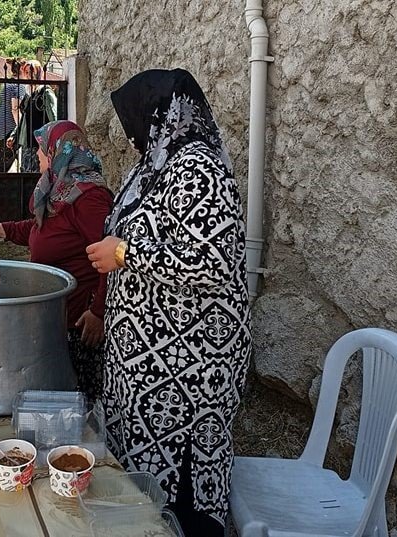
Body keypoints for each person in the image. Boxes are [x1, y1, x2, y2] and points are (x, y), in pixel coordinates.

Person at [85, 69, 251, 534]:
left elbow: (213, 262)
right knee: (142, 488)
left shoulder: (199, 169)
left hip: (187, 367)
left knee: (181, 490)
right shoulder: (157, 163)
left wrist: (123, 252)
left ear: (158, 113)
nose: (130, 129)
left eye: (134, 116)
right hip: (147, 361)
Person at [0, 120, 112, 401]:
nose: (38, 155)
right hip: (57, 313)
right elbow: (40, 229)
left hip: (81, 318)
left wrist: (99, 311)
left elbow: (109, 255)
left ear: (58, 151)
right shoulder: (58, 187)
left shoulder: (89, 197)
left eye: (42, 150)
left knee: (79, 396)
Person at [9, 60, 58, 173]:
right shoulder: (29, 95)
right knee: (25, 177)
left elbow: (54, 119)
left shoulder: (45, 93)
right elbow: (24, 120)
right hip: (27, 144)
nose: (28, 75)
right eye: (26, 72)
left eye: (31, 72)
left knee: (37, 178)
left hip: (40, 145)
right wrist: (15, 135)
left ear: (38, 73)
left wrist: (52, 143)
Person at [0, 57, 29, 172]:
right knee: (4, 162)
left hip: (1, 124)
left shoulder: (7, 84)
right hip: (10, 127)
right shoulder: (19, 86)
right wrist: (22, 127)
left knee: (7, 158)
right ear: (22, 69)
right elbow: (15, 108)